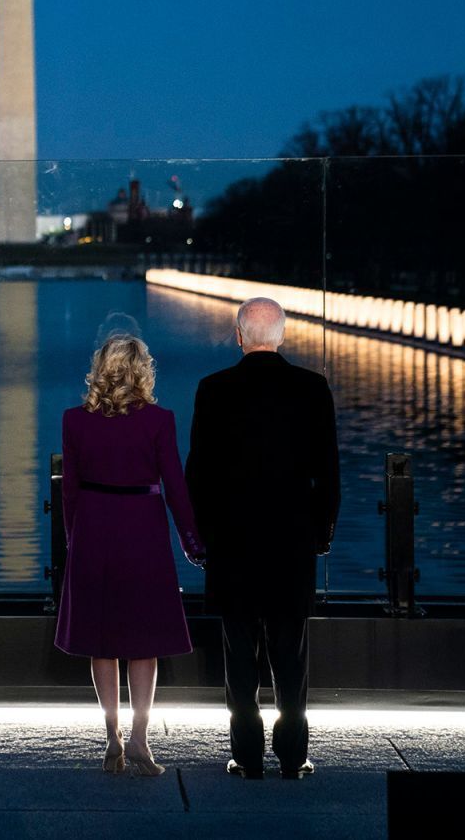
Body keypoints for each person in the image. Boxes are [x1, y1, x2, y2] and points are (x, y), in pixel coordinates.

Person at [185, 297, 340, 781]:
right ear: (283, 335)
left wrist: (202, 535)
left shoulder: (213, 390)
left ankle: (246, 755)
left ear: (238, 336)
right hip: (291, 541)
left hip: (233, 544)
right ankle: (293, 755)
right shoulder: (313, 389)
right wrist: (321, 532)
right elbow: (329, 473)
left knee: (238, 655)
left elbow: (198, 474)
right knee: (292, 655)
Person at [54, 331, 206, 778]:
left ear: (100, 369)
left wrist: (73, 537)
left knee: (101, 640)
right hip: (143, 527)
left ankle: (112, 737)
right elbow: (176, 486)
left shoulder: (74, 419)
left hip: (95, 528)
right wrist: (191, 540)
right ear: (143, 371)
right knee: (145, 640)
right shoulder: (160, 420)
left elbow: (71, 492)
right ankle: (140, 739)